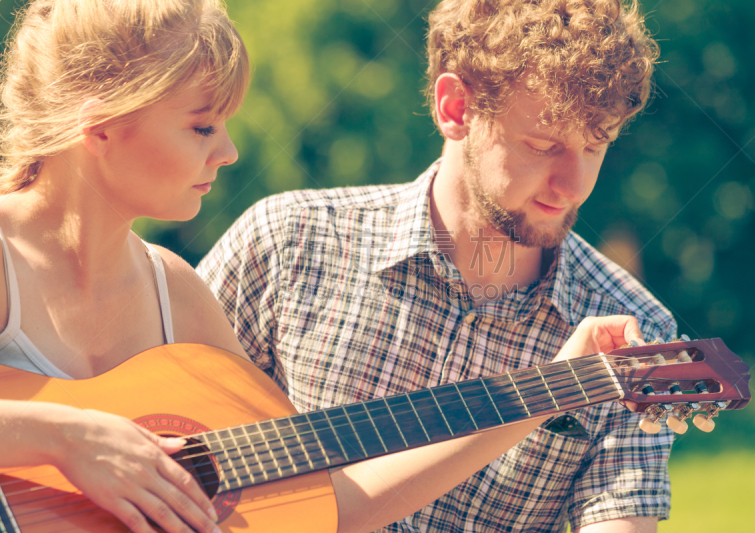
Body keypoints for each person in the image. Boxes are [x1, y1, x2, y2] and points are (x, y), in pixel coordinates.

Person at [0, 1, 649, 533]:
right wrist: (65, 436)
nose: (228, 152)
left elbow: (325, 500)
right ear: (102, 125)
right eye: (202, 127)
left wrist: (552, 388)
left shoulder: (178, 294)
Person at [198, 0, 677, 532]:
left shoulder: (632, 332)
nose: (573, 186)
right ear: (455, 108)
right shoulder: (287, 243)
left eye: (596, 145)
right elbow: (153, 438)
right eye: (544, 145)